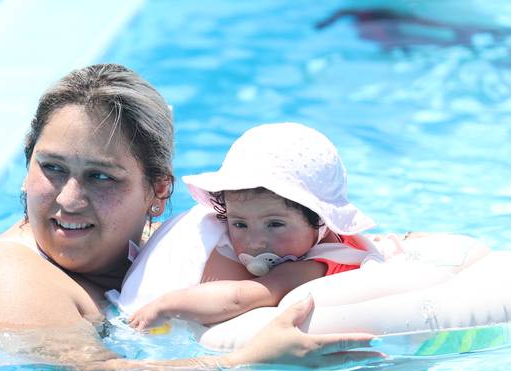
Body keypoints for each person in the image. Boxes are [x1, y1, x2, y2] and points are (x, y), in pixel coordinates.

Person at [0, 64, 375, 371]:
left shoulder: (170, 244)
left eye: (100, 177)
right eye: (51, 168)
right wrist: (245, 362)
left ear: (158, 193)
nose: (69, 200)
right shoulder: (8, 279)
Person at [129, 122, 376, 330]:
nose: (255, 241)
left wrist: (168, 305)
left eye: (275, 224)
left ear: (321, 220)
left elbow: (239, 298)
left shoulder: (312, 268)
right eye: (240, 224)